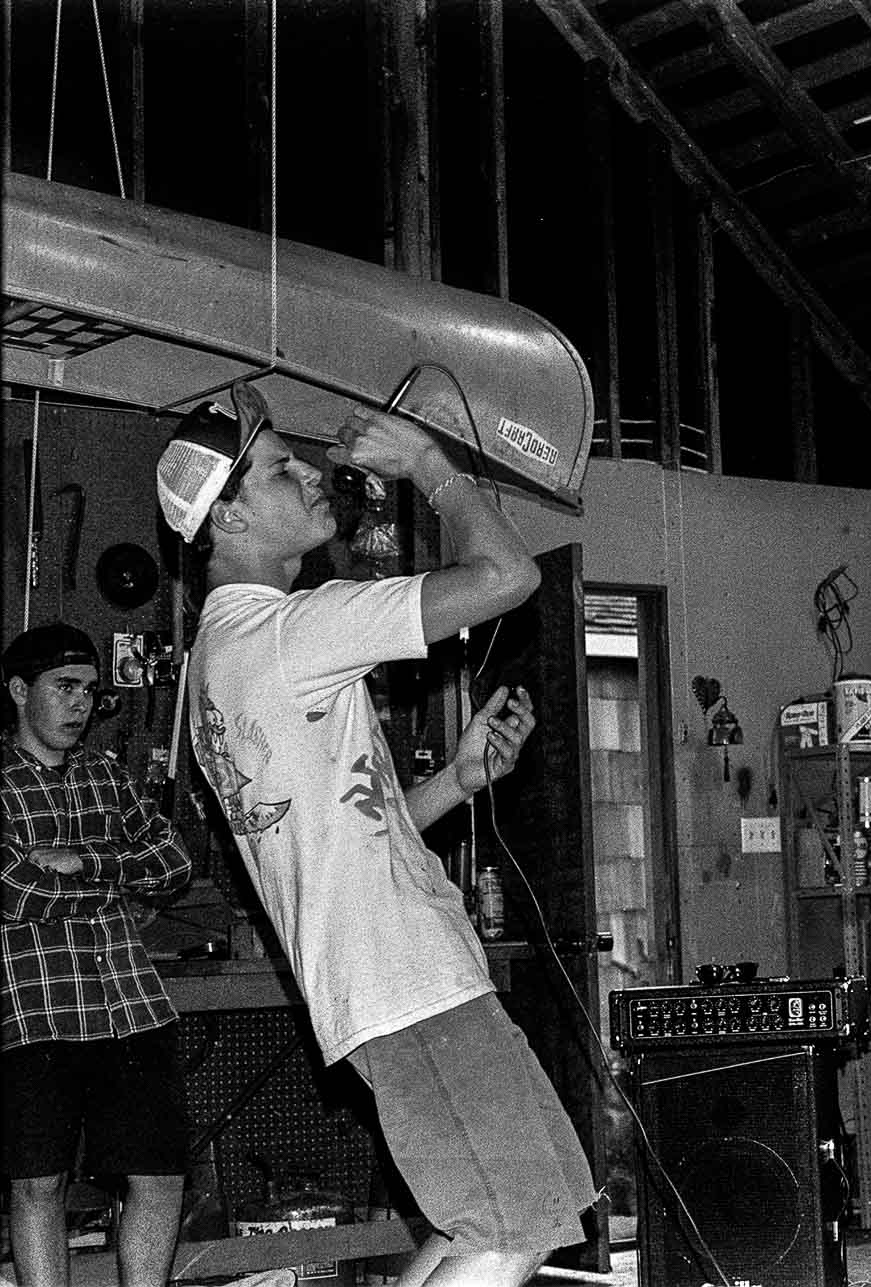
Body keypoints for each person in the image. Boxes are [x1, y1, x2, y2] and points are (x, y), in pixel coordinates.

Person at [155, 384, 595, 1287]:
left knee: (515, 1209)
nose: (312, 473)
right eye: (282, 468)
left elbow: (341, 825)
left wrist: (458, 781)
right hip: (407, 982)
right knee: (513, 1224)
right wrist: (433, 467)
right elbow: (509, 576)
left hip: (390, 982)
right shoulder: (286, 631)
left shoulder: (219, 655)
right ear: (227, 514)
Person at [2, 622, 192, 1287]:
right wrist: (116, 883)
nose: (80, 703)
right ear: (20, 689)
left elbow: (173, 862)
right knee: (36, 1188)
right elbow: (15, 889)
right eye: (63, 686)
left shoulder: (107, 777)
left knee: (161, 1176)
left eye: (88, 689)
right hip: (39, 1010)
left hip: (131, 1005)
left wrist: (84, 860)